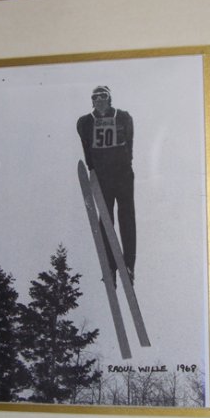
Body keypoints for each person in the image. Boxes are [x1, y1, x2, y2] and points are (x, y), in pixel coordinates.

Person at [77, 86, 136, 284]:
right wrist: (92, 170)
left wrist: (126, 163)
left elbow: (129, 143)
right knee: (105, 217)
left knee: (126, 215)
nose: (99, 100)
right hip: (103, 176)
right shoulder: (85, 122)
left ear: (109, 99)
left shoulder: (123, 117)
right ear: (92, 101)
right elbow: (86, 147)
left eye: (103, 96)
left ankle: (128, 264)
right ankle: (110, 266)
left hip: (122, 173)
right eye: (95, 97)